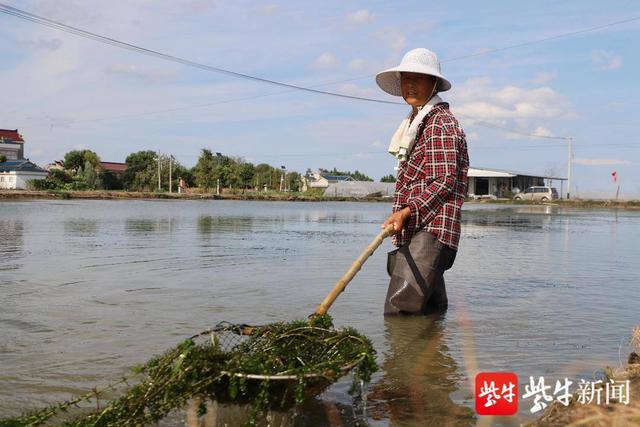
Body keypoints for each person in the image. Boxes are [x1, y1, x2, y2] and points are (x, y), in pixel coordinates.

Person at [376, 48, 469, 315]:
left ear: (434, 84)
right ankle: (431, 356)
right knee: (430, 310)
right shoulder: (416, 123)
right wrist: (402, 215)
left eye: (419, 78)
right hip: (417, 228)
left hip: (432, 230)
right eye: (406, 79)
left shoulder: (440, 123)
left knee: (399, 309)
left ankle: (402, 357)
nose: (411, 85)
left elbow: (443, 181)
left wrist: (406, 211)